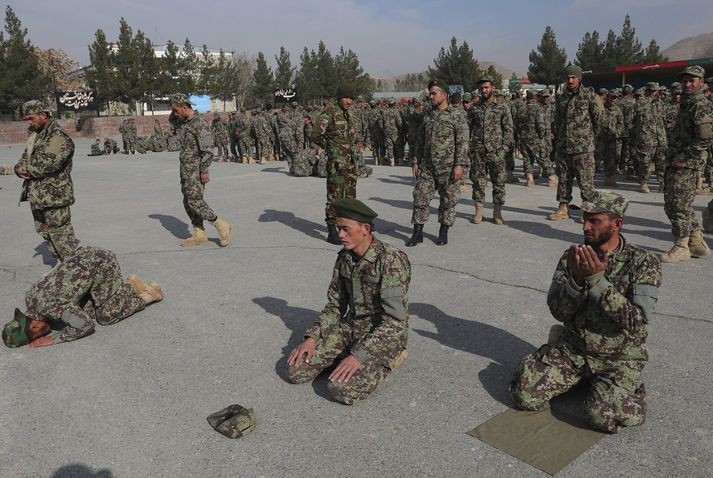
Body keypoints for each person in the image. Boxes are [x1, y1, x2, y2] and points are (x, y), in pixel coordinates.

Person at [510, 191, 662, 433]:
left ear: (616, 224)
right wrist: (576, 282)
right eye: (584, 219)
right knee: (524, 394)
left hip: (618, 356)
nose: (586, 226)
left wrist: (597, 281)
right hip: (576, 349)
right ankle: (573, 365)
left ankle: (631, 396)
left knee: (600, 416)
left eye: (595, 220)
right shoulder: (573, 257)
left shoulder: (643, 262)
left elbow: (636, 320)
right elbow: (558, 311)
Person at [286, 199, 410, 404]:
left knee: (341, 390)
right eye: (338, 228)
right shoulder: (345, 258)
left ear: (365, 229)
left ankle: (392, 358)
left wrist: (359, 355)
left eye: (345, 229)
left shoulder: (390, 261)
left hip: (382, 336)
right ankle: (342, 357)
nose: (340, 235)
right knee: (295, 371)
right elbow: (336, 306)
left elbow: (395, 323)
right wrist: (313, 337)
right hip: (351, 327)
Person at [2, 246, 163, 348]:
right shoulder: (30, 297)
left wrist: (56, 339)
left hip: (102, 263)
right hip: (83, 255)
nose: (41, 336)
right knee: (88, 310)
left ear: (35, 328)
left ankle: (144, 295)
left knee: (105, 316)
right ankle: (125, 290)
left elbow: (85, 325)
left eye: (37, 336)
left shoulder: (52, 308)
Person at [406, 79, 469, 246]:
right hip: (427, 167)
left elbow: (462, 143)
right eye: (430, 94)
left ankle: (443, 230)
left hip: (448, 167)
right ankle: (417, 232)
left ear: (444, 95)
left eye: (434, 93)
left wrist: (459, 165)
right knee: (420, 198)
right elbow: (420, 140)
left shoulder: (456, 116)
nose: (431, 96)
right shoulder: (428, 116)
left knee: (448, 200)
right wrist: (415, 161)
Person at [660, 65, 713, 262]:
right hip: (677, 161)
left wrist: (685, 158)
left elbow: (705, 138)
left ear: (701, 82)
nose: (687, 84)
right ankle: (696, 242)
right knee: (679, 203)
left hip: (687, 163)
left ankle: (681, 244)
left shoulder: (700, 105)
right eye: (685, 81)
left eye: (692, 80)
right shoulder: (687, 103)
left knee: (677, 204)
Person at [14, 100, 77, 262]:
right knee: (44, 232)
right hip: (37, 196)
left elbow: (45, 164)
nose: (29, 122)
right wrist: (17, 168)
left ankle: (73, 271)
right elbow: (24, 158)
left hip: (55, 197)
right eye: (26, 119)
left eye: (31, 118)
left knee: (61, 236)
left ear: (43, 115)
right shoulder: (35, 134)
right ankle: (61, 268)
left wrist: (25, 168)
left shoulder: (58, 137)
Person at [168, 93, 232, 247]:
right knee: (187, 201)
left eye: (176, 110)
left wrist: (204, 170)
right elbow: (171, 122)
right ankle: (199, 233)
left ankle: (220, 224)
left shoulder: (200, 123)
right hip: (185, 169)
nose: (175, 114)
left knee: (195, 201)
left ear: (185, 107)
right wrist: (174, 106)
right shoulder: (184, 122)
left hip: (196, 170)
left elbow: (208, 150)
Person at [548, 64, 604, 221]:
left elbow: (599, 119)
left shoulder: (590, 96)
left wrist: (588, 137)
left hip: (583, 148)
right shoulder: (561, 97)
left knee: (585, 181)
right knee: (564, 179)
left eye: (573, 77)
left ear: (579, 78)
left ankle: (589, 212)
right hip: (564, 146)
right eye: (568, 78)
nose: (570, 80)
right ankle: (563, 208)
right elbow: (558, 121)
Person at [310, 83, 360, 245]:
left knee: (350, 196)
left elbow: (347, 135)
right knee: (335, 197)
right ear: (339, 98)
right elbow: (315, 134)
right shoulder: (329, 113)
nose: (349, 101)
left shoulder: (347, 114)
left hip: (350, 162)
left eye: (351, 98)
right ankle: (332, 230)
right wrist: (329, 148)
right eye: (346, 97)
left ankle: (348, 228)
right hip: (337, 164)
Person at [469, 77, 514, 225]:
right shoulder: (475, 107)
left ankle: (497, 212)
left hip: (496, 152)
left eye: (486, 88)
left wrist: (504, 149)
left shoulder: (502, 107)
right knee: (478, 181)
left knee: (499, 182)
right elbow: (469, 128)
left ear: (493, 88)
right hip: (478, 151)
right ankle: (479, 211)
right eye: (482, 88)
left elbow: (508, 130)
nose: (484, 90)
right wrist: (470, 147)